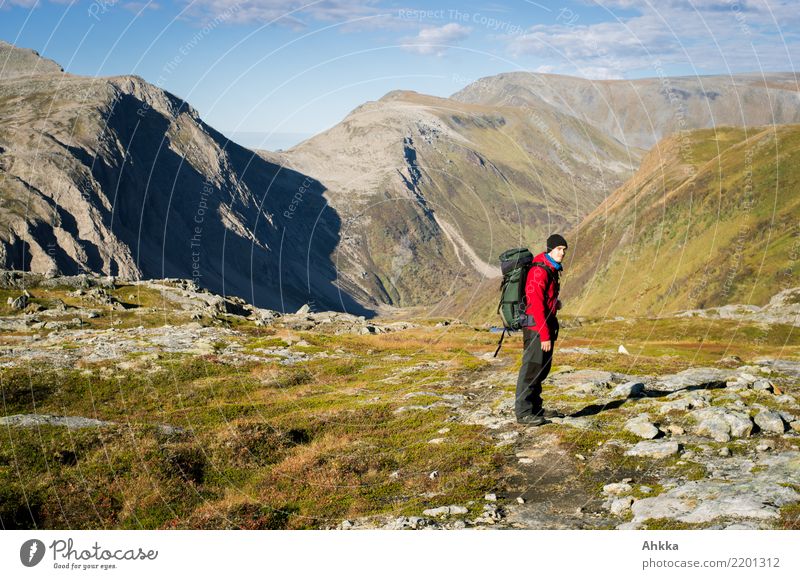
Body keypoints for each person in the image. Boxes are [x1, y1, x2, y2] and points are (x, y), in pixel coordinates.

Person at [515, 234, 568, 426]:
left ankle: (536, 407)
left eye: (564, 249)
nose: (562, 253)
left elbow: (544, 300)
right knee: (531, 369)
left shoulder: (551, 269)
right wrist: (544, 335)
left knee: (541, 369)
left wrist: (555, 303)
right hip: (536, 328)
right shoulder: (540, 272)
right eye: (559, 249)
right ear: (550, 249)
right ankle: (523, 412)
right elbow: (535, 305)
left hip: (543, 326)